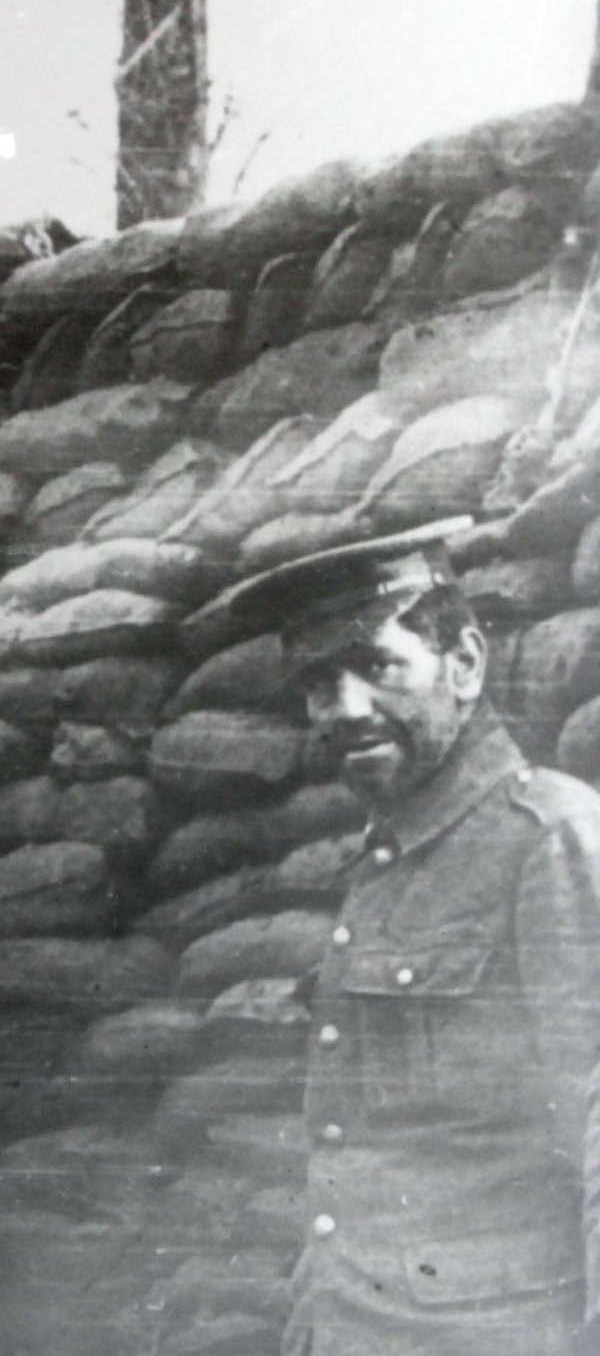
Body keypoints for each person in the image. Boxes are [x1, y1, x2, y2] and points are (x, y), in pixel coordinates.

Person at [216, 518, 600, 1356]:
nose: (345, 709)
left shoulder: (552, 840)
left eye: (378, 665)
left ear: (464, 663)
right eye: (320, 682)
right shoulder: (388, 858)